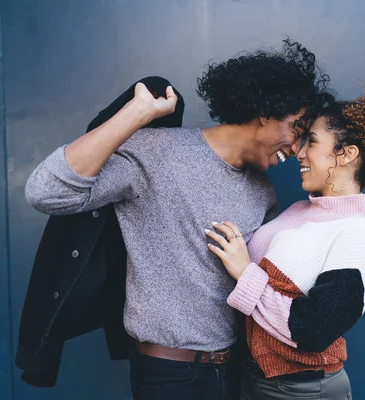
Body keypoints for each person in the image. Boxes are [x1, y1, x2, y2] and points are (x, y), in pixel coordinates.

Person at [24, 39, 330, 400]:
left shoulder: (264, 194)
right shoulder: (155, 151)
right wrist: (135, 115)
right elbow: (45, 192)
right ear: (268, 111)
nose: (296, 150)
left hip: (235, 370)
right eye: (296, 129)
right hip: (166, 375)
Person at [206, 75, 365, 399]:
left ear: (346, 154)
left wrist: (245, 272)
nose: (299, 153)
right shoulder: (298, 210)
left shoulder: (358, 234)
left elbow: (313, 330)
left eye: (312, 142)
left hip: (304, 390)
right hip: (255, 380)